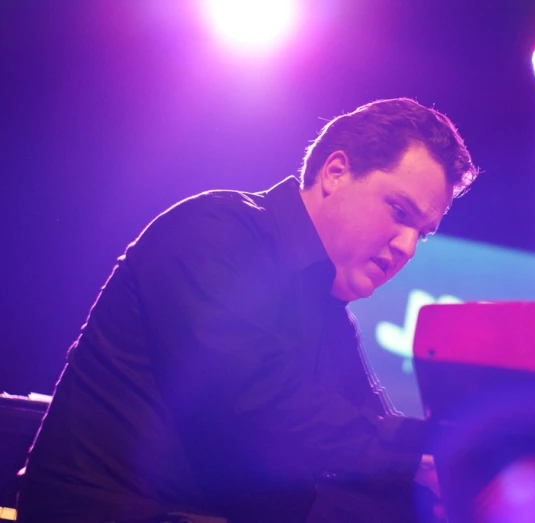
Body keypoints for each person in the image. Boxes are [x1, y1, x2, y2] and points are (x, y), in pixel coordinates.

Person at [16, 97, 479, 523]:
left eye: (424, 232)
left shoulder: (328, 309)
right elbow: (259, 412)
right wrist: (424, 448)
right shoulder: (216, 232)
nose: (407, 247)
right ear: (336, 172)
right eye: (400, 212)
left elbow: (361, 445)